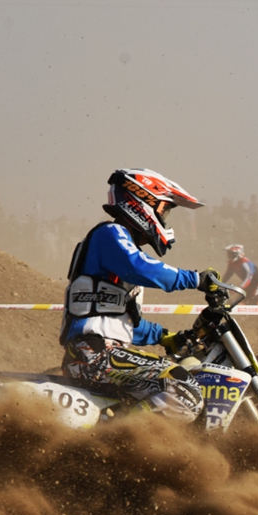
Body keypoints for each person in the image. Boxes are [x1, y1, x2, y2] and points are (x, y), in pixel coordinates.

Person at [59, 168, 213, 422]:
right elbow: (139, 267)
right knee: (181, 388)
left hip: (100, 354)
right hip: (93, 355)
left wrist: (165, 337)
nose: (165, 218)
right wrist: (196, 279)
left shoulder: (117, 253)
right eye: (165, 209)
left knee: (184, 380)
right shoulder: (110, 233)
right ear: (144, 202)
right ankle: (118, 438)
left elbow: (118, 321)